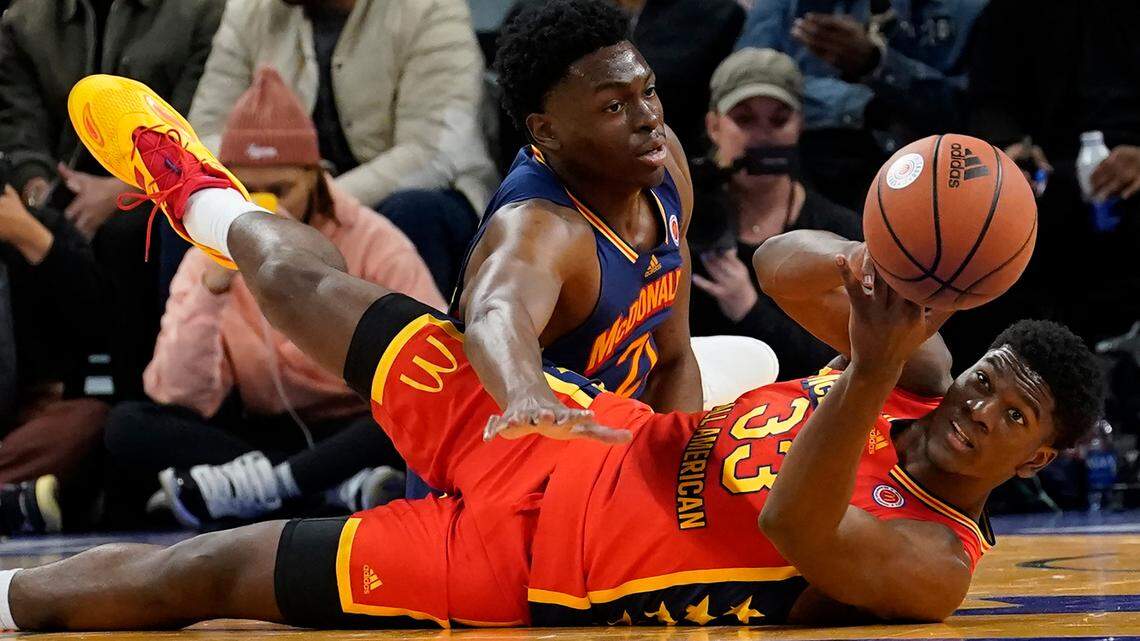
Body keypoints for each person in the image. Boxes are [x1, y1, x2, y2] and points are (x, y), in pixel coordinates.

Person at [0, 71, 1105, 631]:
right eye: (984, 379)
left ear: (1038, 457)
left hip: (536, 567)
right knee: (310, 283)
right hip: (574, 424)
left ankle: (13, 601)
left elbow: (794, 523)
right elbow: (778, 268)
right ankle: (190, 182)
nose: (976, 407)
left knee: (216, 568)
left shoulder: (937, 564)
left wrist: (864, 368)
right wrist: (888, 263)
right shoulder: (914, 369)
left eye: (1012, 416)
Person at [101, 68, 446, 530]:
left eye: (280, 190)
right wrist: (214, 285)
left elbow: (435, 368)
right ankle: (329, 487)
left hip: (358, 422)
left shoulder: (374, 240)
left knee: (412, 421)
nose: (265, 204)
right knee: (128, 425)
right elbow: (177, 394)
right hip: (263, 432)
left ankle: (275, 486)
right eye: (247, 190)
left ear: (316, 179)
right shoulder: (210, 251)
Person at [186, 0, 498, 296]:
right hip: (283, 190)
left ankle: (419, 348)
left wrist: (322, 203)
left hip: (405, 193)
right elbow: (205, 133)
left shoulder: (428, 8)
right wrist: (250, 199)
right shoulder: (250, 9)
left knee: (414, 211)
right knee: (188, 209)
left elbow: (430, 152)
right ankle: (182, 348)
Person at [0, 0, 226, 400]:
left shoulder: (201, 11)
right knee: (34, 225)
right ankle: (43, 403)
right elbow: (20, 127)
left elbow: (199, 128)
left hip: (160, 184)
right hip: (59, 185)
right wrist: (39, 189)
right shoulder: (25, 18)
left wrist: (124, 190)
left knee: (129, 235)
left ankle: (135, 400)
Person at [690, 48, 863, 379]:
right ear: (714, 126)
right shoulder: (687, 218)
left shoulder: (836, 233)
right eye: (744, 119)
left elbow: (843, 362)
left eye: (778, 119)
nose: (762, 135)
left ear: (799, 125)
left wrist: (749, 309)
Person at [735, 0, 986, 210]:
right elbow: (743, 79)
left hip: (926, 177)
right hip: (807, 169)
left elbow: (966, 112)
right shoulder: (787, 6)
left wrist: (877, 63)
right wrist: (862, 105)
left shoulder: (961, 10)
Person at [0, 180, 109, 535]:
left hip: (21, 422)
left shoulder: (41, 226)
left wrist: (29, 236)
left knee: (87, 419)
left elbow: (100, 324)